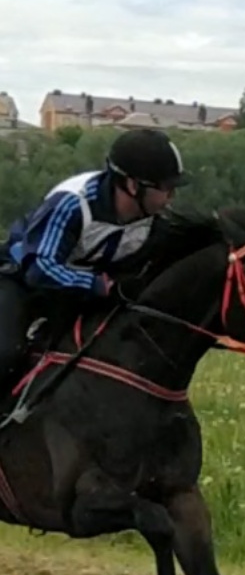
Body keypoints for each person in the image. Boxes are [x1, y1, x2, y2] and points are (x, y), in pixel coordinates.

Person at [0, 127, 189, 387]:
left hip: (76, 295)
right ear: (133, 186)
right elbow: (41, 269)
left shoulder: (155, 222)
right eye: (166, 188)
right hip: (21, 281)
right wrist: (99, 285)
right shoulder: (71, 203)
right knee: (5, 353)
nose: (171, 197)